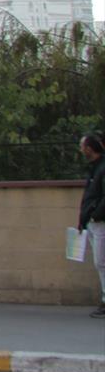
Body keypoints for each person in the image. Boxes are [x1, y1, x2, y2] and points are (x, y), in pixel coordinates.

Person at [78, 131, 105, 318]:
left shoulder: (102, 167)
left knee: (101, 262)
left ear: (89, 148)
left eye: (82, 146)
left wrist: (95, 215)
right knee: (100, 263)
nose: (80, 150)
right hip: (93, 222)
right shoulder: (95, 167)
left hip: (100, 222)